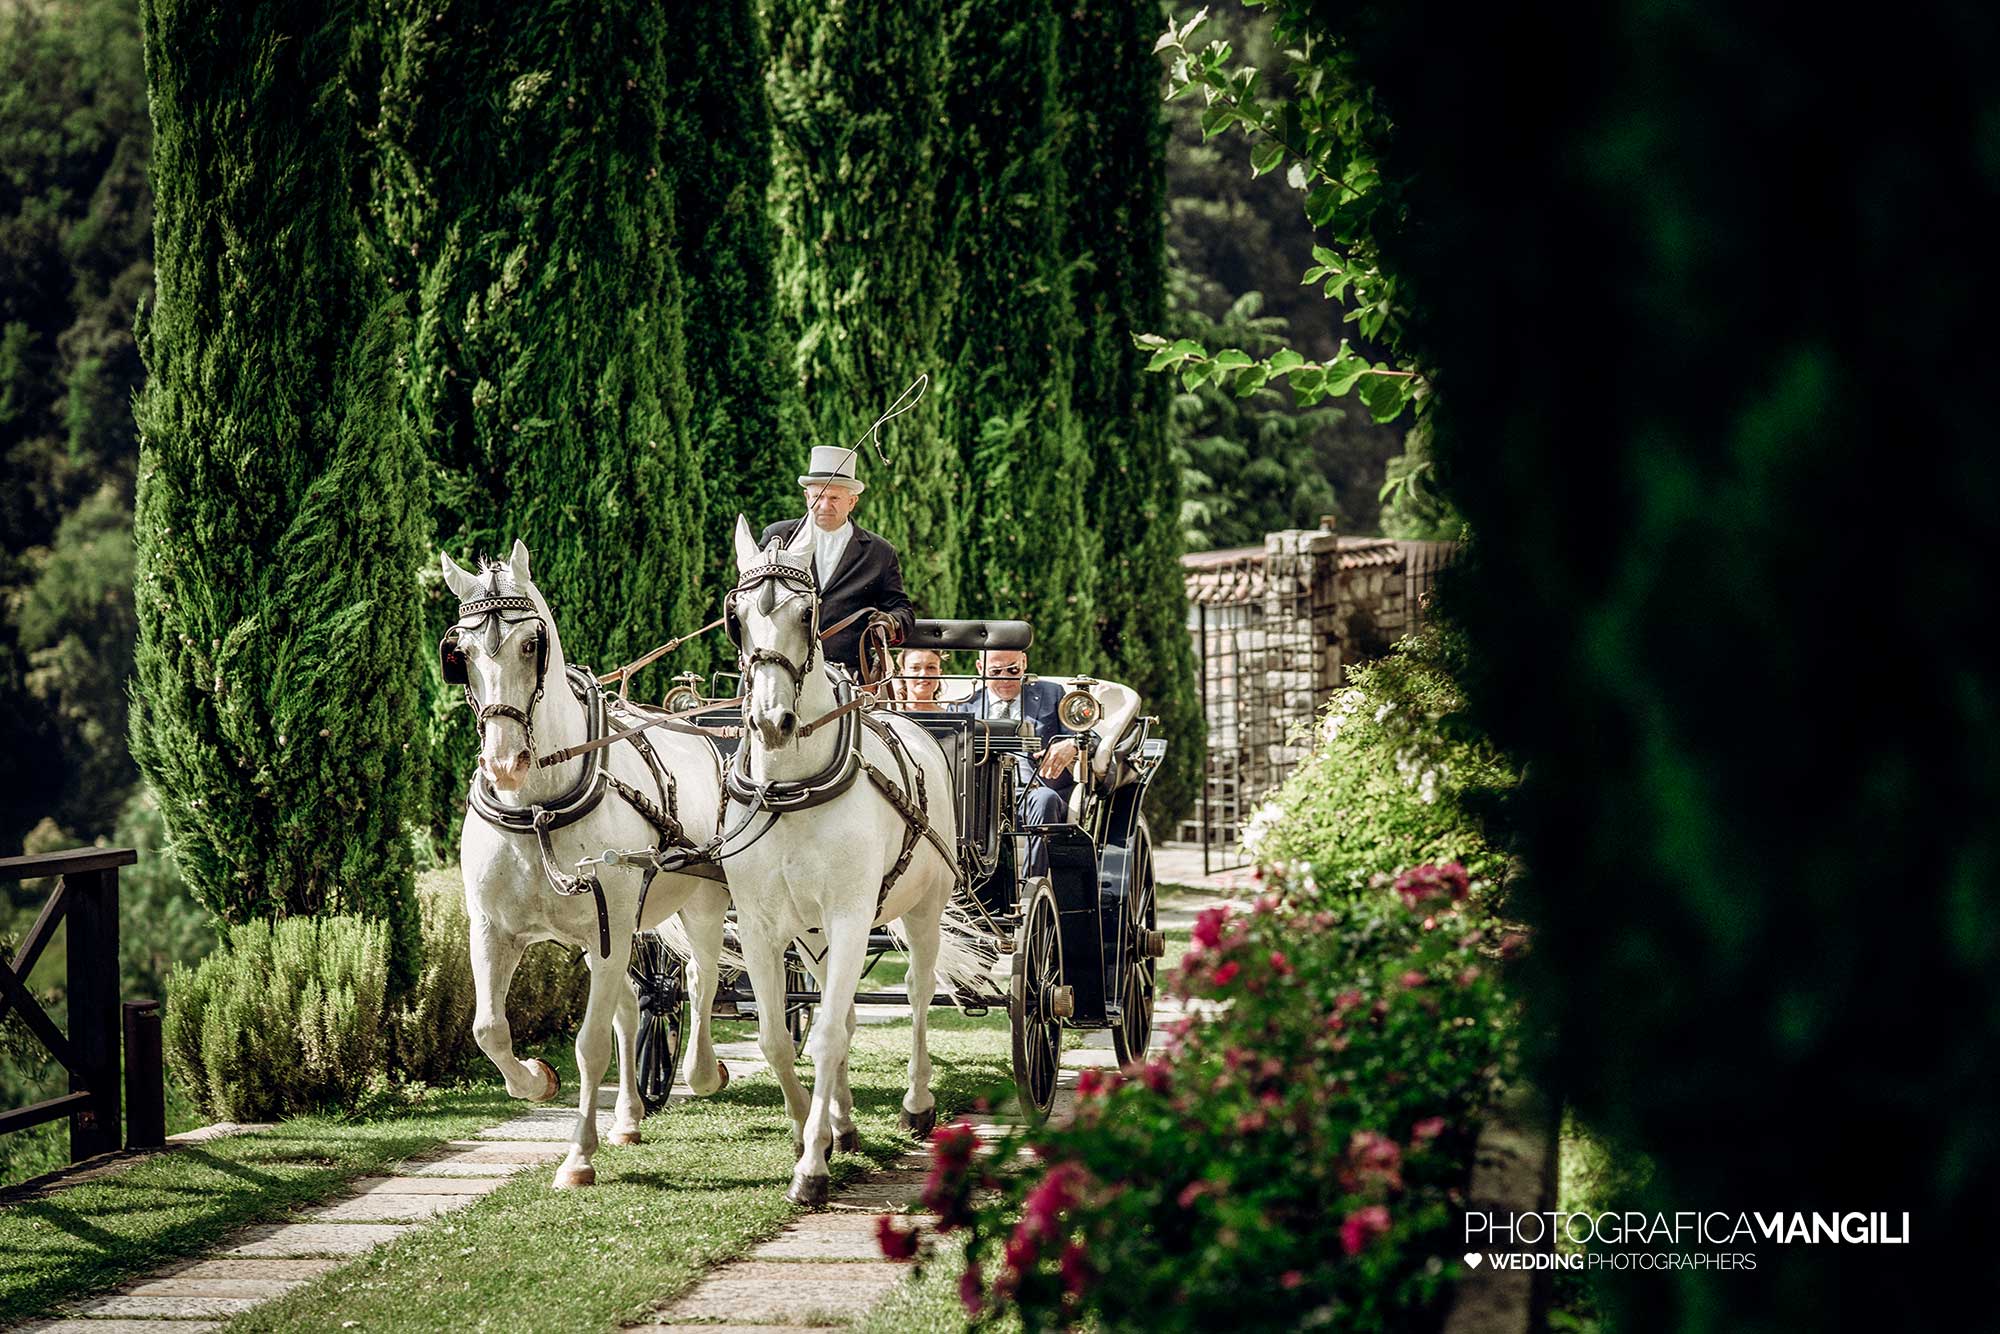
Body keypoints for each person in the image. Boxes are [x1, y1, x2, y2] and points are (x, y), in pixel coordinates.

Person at [758, 446, 916, 677]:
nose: (824, 505)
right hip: (781, 668)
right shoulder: (778, 538)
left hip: (848, 674)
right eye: (817, 497)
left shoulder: (880, 552)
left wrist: (891, 621)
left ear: (852, 502)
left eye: (834, 498)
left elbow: (901, 608)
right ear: (806, 497)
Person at [953, 648, 1079, 870]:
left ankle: (1033, 884)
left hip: (1035, 794)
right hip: (983, 799)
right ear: (980, 669)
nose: (1005, 679)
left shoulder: (1053, 695)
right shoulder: (964, 706)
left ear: (1025, 663)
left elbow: (1087, 736)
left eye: (1013, 670)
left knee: (1044, 799)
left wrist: (1072, 744)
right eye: (996, 671)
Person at [895, 647, 948, 711]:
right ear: (903, 673)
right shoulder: (889, 715)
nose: (923, 674)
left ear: (939, 673)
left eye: (931, 667)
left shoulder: (951, 718)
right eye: (915, 668)